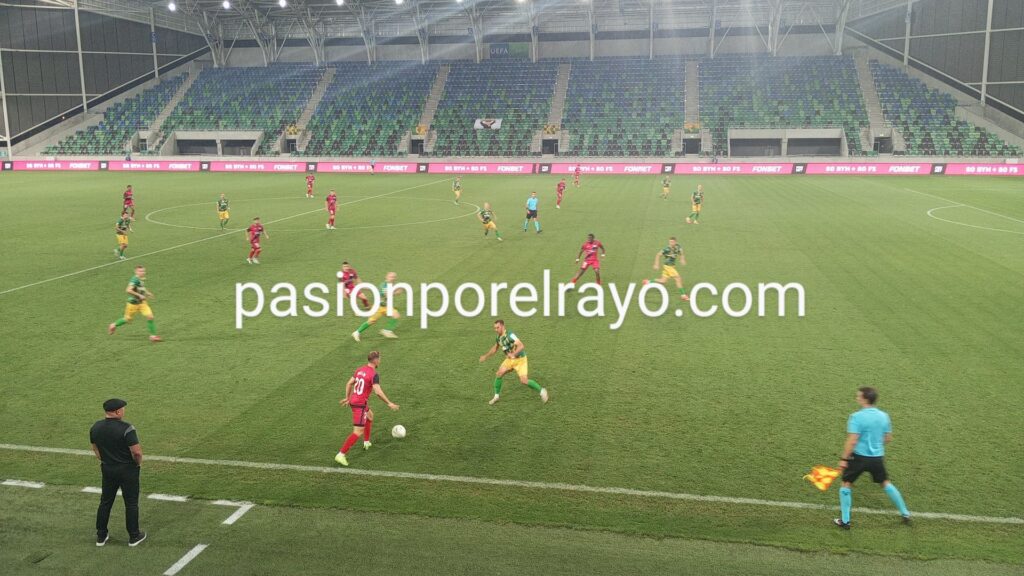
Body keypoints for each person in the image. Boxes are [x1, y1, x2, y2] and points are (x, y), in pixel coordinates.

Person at [834, 387, 911, 529]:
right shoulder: (884, 416)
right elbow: (888, 438)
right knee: (885, 483)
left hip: (858, 458)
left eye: (859, 396)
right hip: (877, 458)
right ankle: (905, 513)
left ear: (865, 399)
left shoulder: (856, 417)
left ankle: (845, 521)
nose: (857, 398)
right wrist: (875, 444)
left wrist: (844, 459)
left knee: (846, 484)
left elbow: (852, 441)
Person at [90, 398, 146, 547]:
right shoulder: (127, 428)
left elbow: (95, 449)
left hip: (108, 468)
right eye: (122, 409)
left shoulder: (95, 427)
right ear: (117, 411)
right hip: (127, 470)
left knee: (105, 502)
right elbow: (136, 452)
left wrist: (106, 460)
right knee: (131, 503)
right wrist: (137, 463)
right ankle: (134, 536)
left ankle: (101, 535)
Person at [335, 351, 399, 466]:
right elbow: (378, 392)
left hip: (356, 401)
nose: (380, 360)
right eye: (379, 358)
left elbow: (349, 383)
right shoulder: (374, 374)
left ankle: (366, 442)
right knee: (358, 431)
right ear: (375, 360)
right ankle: (341, 454)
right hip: (359, 404)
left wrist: (347, 397)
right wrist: (389, 403)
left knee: (370, 416)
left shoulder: (360, 369)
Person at [479, 319, 548, 406]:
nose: (496, 330)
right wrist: (485, 356)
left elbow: (521, 346)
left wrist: (513, 354)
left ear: (503, 326)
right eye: (495, 328)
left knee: (524, 380)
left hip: (520, 360)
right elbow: (495, 348)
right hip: (510, 360)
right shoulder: (499, 337)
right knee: (499, 373)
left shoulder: (510, 335)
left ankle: (542, 391)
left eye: (497, 327)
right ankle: (496, 396)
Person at [108, 265, 161, 342]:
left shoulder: (140, 279)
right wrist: (139, 295)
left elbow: (141, 288)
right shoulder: (134, 279)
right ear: (136, 272)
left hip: (142, 303)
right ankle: (113, 325)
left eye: (143, 271)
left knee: (150, 317)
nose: (142, 272)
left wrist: (147, 293)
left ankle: (153, 336)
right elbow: (128, 290)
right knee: (127, 319)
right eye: (140, 271)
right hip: (133, 304)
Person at [352, 272, 403, 341]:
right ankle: (356, 332)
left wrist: (398, 291)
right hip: (379, 307)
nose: (393, 278)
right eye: (391, 277)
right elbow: (387, 295)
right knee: (371, 321)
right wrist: (396, 292)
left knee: (396, 315)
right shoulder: (383, 285)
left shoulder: (392, 284)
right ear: (386, 277)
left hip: (385, 307)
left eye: (394, 277)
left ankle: (387, 331)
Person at [644, 237, 689, 302]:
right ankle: (683, 295)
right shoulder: (666, 249)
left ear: (675, 242)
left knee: (663, 281)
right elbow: (658, 255)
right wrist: (656, 264)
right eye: (670, 242)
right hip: (668, 267)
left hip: (671, 267)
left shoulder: (678, 247)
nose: (671, 243)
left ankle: (648, 281)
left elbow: (681, 253)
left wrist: (682, 259)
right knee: (678, 278)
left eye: (672, 242)